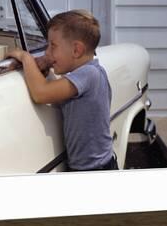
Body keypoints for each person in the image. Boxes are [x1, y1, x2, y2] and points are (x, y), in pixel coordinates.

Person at [7, 9, 117, 172]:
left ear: (76, 50)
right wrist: (46, 62)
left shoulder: (89, 74)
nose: (47, 52)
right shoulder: (88, 72)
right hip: (91, 166)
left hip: (95, 171)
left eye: (53, 46)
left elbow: (41, 94)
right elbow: (55, 93)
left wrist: (26, 58)